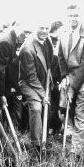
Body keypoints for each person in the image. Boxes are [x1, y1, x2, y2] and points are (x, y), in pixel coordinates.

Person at [58, 5, 84, 159]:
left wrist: (73, 87)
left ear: (80, 16)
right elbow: (61, 57)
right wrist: (64, 76)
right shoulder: (63, 32)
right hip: (71, 78)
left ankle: (75, 156)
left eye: (75, 15)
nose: (73, 19)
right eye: (70, 16)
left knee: (82, 117)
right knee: (78, 117)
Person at [19, 20, 53, 153]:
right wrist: (43, 95)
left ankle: (46, 136)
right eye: (41, 28)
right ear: (34, 27)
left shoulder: (47, 40)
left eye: (47, 27)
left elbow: (49, 61)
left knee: (48, 106)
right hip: (28, 83)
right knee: (37, 107)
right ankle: (37, 145)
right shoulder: (28, 49)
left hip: (44, 80)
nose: (44, 31)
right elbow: (31, 78)